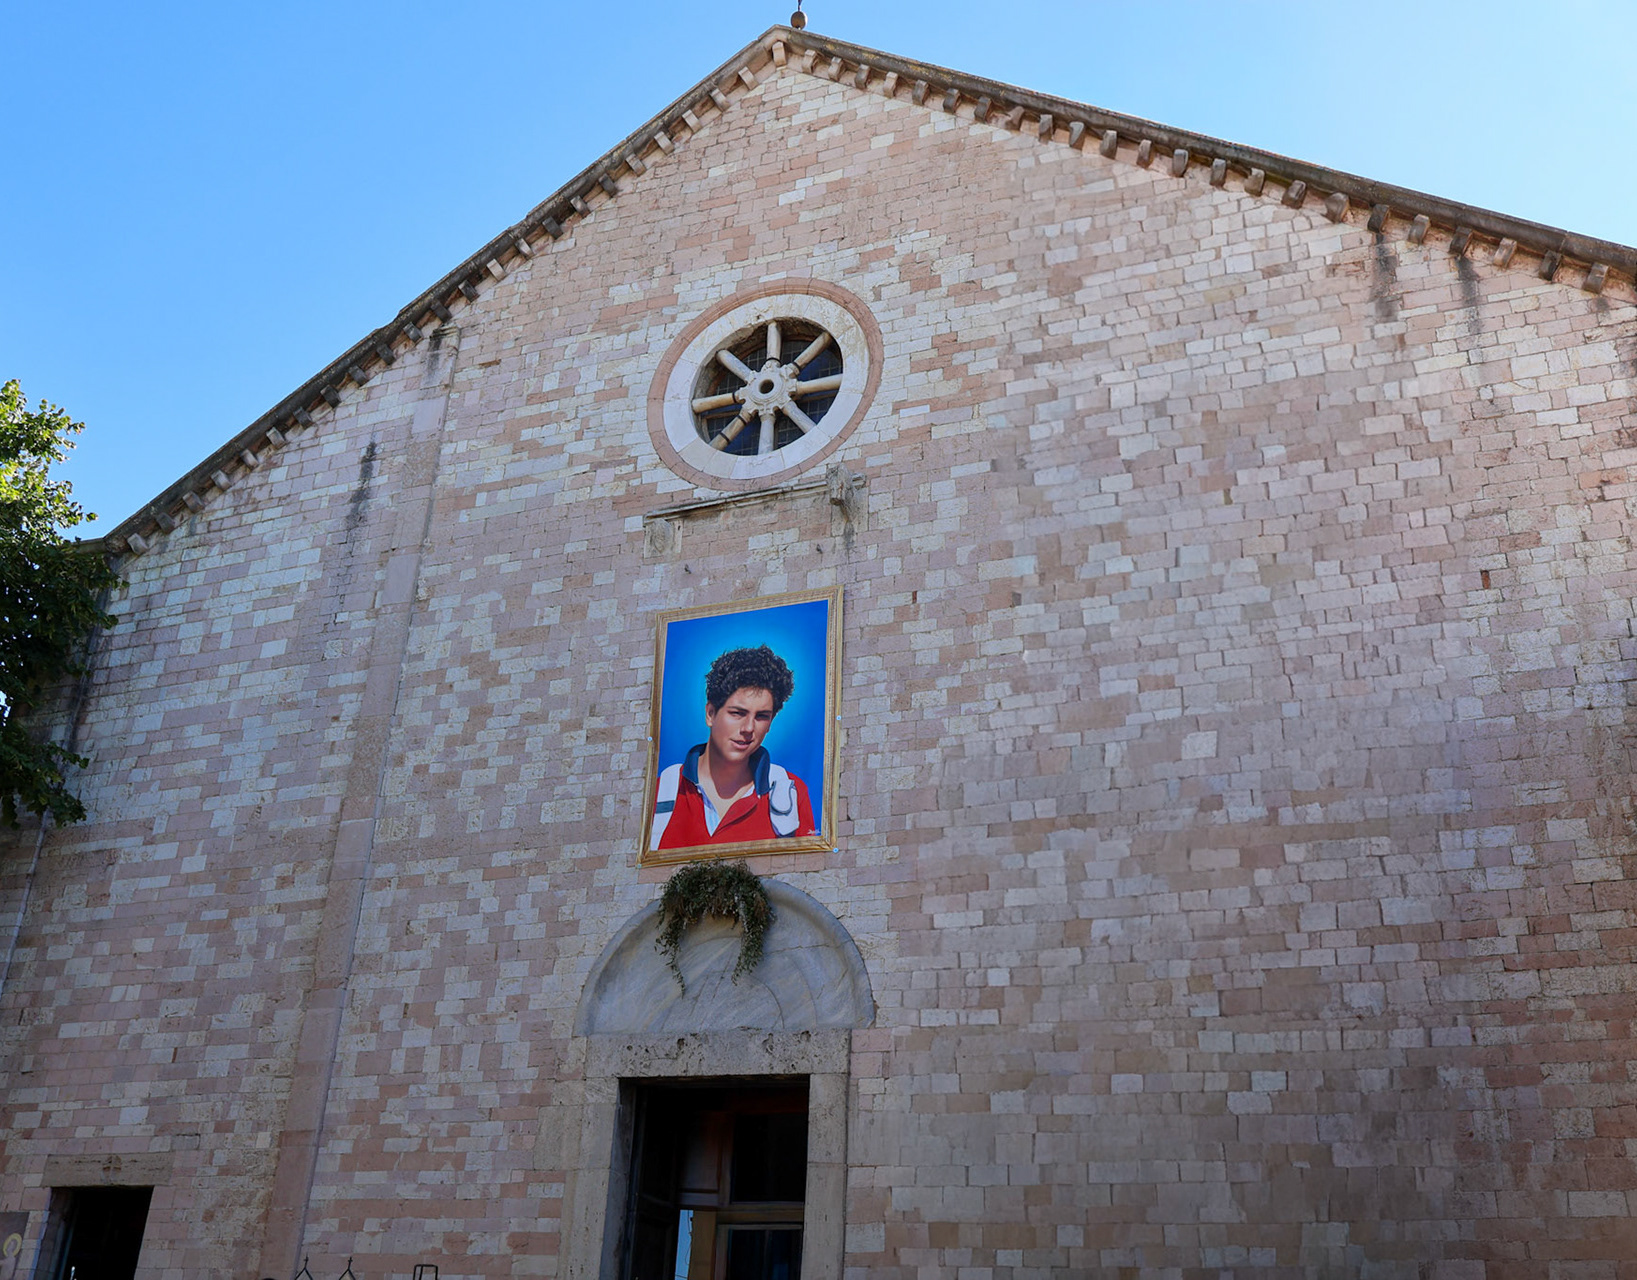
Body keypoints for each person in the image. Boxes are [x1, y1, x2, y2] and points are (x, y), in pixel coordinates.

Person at [652, 644, 816, 849]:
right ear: (710, 714)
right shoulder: (661, 792)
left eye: (761, 716)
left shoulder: (791, 793)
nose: (748, 728)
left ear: (770, 723)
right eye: (737, 713)